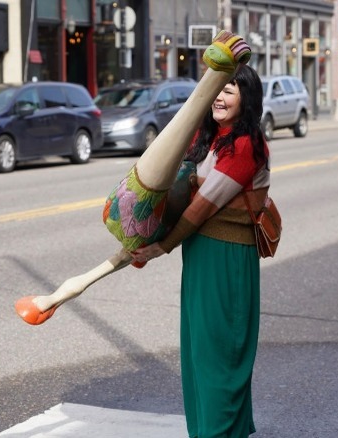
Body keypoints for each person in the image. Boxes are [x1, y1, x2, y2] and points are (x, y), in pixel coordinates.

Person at [131, 64, 269, 438]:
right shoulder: (208, 138)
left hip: (226, 257)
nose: (220, 97)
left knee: (219, 355)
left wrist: (162, 246)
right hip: (200, 254)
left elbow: (202, 207)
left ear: (247, 98)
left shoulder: (245, 145)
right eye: (217, 89)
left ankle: (219, 432)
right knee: (198, 354)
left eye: (231, 89)